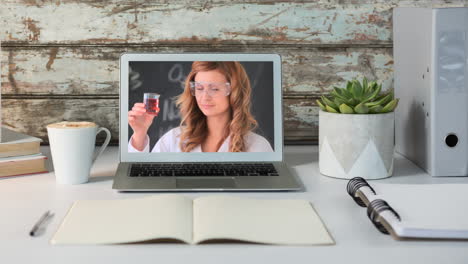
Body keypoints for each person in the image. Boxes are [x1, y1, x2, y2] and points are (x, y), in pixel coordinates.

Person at [128, 61, 273, 152]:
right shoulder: (173, 139)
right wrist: (140, 134)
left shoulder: (258, 147)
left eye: (214, 89)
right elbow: (142, 178)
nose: (204, 97)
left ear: (235, 92)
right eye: (199, 88)